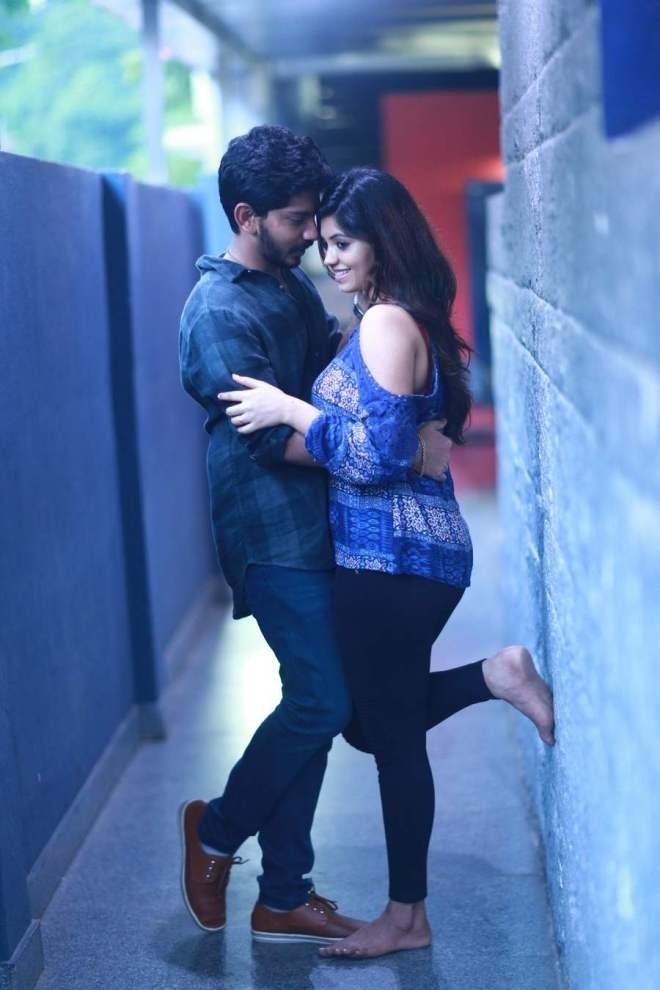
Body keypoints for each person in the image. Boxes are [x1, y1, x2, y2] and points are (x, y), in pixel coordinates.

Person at [217, 167, 556, 959]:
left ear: (383, 241)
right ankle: (497, 675)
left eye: (345, 243)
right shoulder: (384, 318)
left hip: (395, 560)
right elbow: (402, 442)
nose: (329, 256)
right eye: (324, 243)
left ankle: (407, 917)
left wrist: (289, 408)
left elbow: (376, 457)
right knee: (371, 725)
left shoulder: (388, 324)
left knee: (390, 740)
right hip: (400, 557)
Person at [178, 127, 455, 945]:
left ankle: (282, 894)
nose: (312, 236)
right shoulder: (218, 313)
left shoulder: (287, 285)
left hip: (327, 521)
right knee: (324, 699)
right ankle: (215, 831)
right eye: (298, 221)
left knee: (316, 697)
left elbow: (336, 381)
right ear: (246, 216)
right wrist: (392, 452)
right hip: (272, 533)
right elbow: (273, 439)